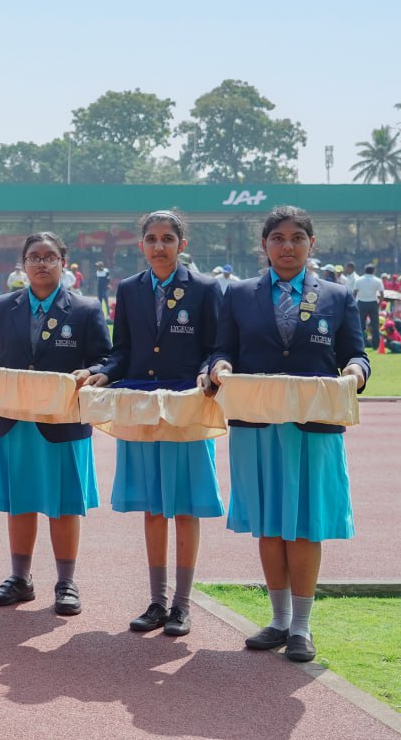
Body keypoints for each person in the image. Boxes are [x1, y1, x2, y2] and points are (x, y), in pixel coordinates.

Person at [208, 205, 369, 663]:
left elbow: (356, 355)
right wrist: (218, 367)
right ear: (264, 246)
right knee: (269, 522)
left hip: (312, 427)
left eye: (297, 237)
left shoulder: (338, 296)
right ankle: (277, 621)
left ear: (311, 244)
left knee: (304, 523)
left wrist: (356, 372)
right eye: (277, 238)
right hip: (256, 425)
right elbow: (222, 350)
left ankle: (301, 627)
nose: (287, 246)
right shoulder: (238, 294)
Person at [83, 211, 224, 637]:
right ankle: (156, 601)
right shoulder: (128, 290)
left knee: (183, 508)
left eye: (167, 238)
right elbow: (121, 349)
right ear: (141, 245)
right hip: (142, 408)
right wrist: (104, 372)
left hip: (185, 408)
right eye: (151, 238)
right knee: (152, 507)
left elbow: (216, 347)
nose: (159, 246)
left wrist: (209, 371)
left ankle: (182, 604)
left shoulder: (205, 288)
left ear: (182, 244)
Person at [0, 232, 111, 615]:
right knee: (20, 501)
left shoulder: (85, 310)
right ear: (23, 263)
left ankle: (66, 583)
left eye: (50, 257)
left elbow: (107, 361)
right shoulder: (3, 307)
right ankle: (20, 579)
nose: (42, 263)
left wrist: (92, 371)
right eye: (34, 257)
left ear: (64, 263)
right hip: (14, 421)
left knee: (64, 505)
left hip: (62, 423)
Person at [353, 264, 384, 348]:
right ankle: (376, 345)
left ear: (365, 270)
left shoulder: (359, 280)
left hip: (361, 303)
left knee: (360, 325)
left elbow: (354, 293)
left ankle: (361, 343)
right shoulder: (377, 280)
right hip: (373, 303)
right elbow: (381, 294)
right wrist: (379, 304)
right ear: (374, 271)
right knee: (375, 325)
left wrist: (354, 303)